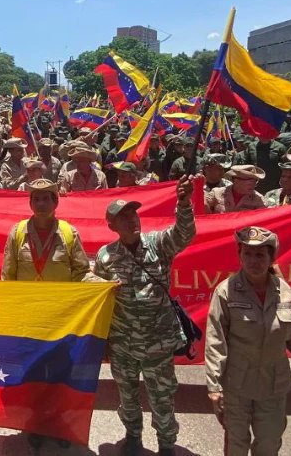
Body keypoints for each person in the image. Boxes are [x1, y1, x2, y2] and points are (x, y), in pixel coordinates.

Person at [205, 227, 291, 456]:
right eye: (247, 254)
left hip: (274, 386)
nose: (253, 261)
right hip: (237, 385)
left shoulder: (284, 292)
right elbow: (216, 341)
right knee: (236, 443)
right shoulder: (226, 292)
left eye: (260, 255)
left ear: (271, 257)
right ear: (239, 255)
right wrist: (214, 386)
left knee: (269, 443)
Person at [92, 176, 195, 456]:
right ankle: (133, 437)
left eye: (133, 215)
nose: (131, 221)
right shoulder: (105, 257)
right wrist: (102, 341)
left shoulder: (159, 243)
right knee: (127, 397)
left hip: (157, 343)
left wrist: (184, 203)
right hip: (123, 344)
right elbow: (98, 300)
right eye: (123, 218)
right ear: (112, 226)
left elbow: (184, 234)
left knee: (162, 398)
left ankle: (166, 444)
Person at [0, 177, 97, 449]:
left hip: (61, 319)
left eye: (46, 198)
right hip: (29, 319)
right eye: (36, 199)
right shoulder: (18, 233)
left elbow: (81, 273)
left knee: (60, 373)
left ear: (56, 203)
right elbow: (7, 277)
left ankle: (58, 424)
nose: (41, 203)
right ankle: (36, 423)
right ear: (30, 203)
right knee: (33, 374)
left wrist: (103, 285)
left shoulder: (68, 233)